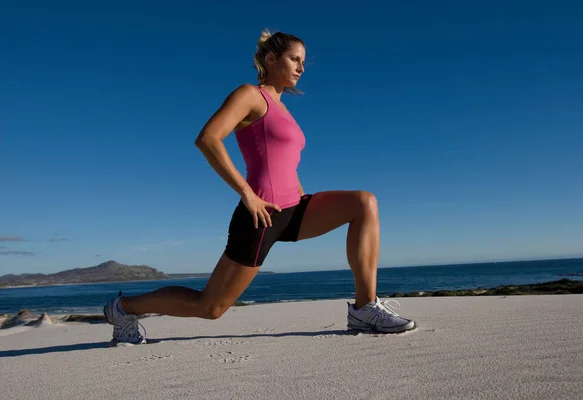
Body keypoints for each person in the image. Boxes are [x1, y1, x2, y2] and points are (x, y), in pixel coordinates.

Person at [103, 29, 416, 345]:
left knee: (363, 203)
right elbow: (208, 139)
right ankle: (124, 307)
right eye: (294, 59)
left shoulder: (284, 109)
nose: (301, 68)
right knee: (210, 307)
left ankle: (364, 308)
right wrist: (247, 194)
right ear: (271, 59)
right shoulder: (250, 95)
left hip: (294, 208)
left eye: (303, 61)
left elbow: (283, 162)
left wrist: (302, 195)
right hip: (261, 213)